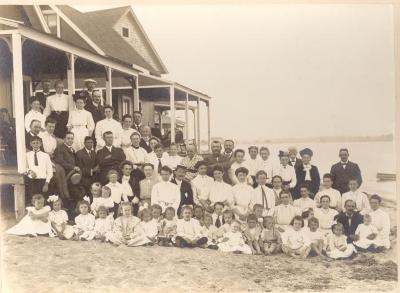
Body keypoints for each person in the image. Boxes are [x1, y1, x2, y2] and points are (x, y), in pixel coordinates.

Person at [25, 136, 53, 201]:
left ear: (40, 144)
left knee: (42, 200)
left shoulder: (45, 155)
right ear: (30, 144)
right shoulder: (27, 155)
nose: (35, 145)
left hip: (42, 182)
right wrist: (29, 171)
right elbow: (24, 168)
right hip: (32, 182)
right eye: (33, 143)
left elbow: (50, 171)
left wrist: (46, 183)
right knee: (33, 201)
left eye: (37, 143)